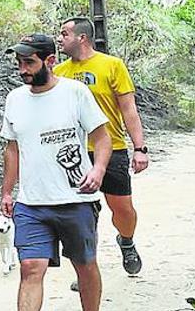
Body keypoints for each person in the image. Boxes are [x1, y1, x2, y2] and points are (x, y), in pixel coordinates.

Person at [0, 33, 112, 311]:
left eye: (29, 62)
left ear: (49, 61)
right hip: (32, 202)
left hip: (75, 199)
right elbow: (11, 148)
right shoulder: (15, 99)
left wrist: (98, 171)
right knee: (30, 267)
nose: (22, 69)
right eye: (19, 63)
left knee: (84, 265)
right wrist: (7, 191)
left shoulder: (75, 93)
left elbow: (102, 137)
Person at [55, 16, 149, 278]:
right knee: (82, 214)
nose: (60, 39)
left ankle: (127, 241)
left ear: (81, 38)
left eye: (65, 34)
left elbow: (128, 109)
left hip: (112, 147)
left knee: (122, 208)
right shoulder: (59, 73)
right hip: (75, 152)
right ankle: (87, 271)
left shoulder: (111, 65)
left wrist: (139, 148)